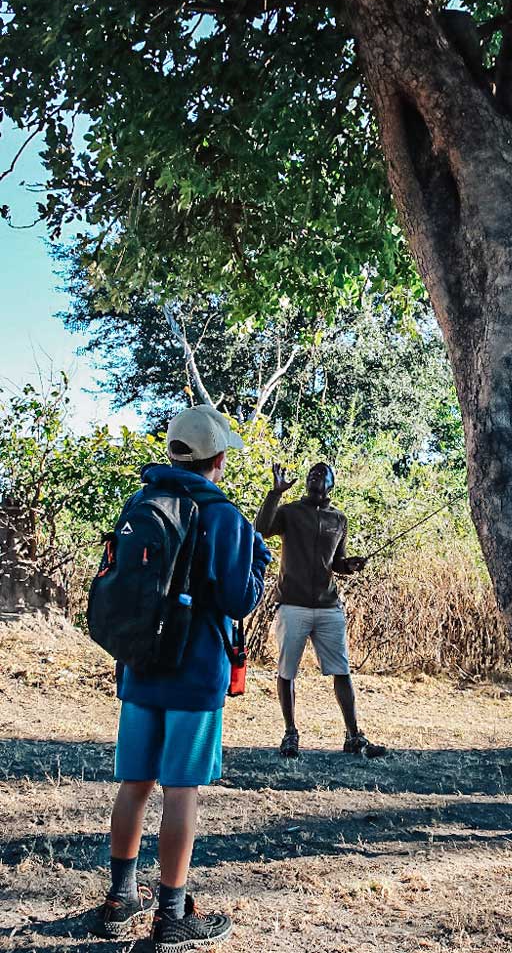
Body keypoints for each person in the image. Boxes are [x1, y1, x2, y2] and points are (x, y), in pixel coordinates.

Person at [89, 405, 271, 948]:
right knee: (181, 791)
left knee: (135, 784)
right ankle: (172, 915)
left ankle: (120, 898)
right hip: (194, 677)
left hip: (140, 668)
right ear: (217, 459)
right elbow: (241, 600)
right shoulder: (226, 517)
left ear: (173, 453)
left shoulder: (141, 502)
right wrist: (257, 564)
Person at [255, 461, 387, 759]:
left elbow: (337, 562)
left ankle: (354, 736)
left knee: (342, 671)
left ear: (332, 484)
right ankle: (290, 734)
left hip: (329, 606)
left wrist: (349, 566)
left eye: (322, 474)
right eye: (312, 474)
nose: (315, 477)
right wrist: (274, 493)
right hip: (292, 604)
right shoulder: (289, 512)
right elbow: (261, 529)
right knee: (287, 672)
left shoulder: (339, 519)